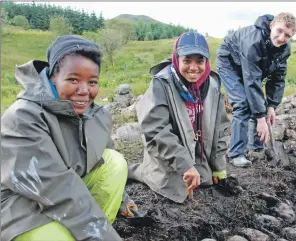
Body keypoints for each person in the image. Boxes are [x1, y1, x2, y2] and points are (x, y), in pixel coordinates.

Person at [1, 35, 143, 241]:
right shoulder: (23, 118)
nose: (84, 90)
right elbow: (57, 188)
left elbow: (99, 162)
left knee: (114, 162)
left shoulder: (96, 115)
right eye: (73, 79)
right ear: (52, 78)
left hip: (66, 194)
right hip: (21, 205)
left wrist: (124, 201)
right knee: (56, 237)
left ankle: (93, 230)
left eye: (92, 82)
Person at [127, 32, 232, 203]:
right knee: (172, 187)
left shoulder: (212, 85)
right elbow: (156, 131)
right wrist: (185, 165)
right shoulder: (161, 84)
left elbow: (220, 128)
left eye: (200, 61)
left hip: (197, 156)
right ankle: (133, 170)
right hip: (167, 159)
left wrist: (219, 167)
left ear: (207, 61)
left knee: (205, 180)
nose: (193, 67)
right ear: (177, 59)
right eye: (187, 60)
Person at [215, 12, 296, 167]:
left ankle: (255, 148)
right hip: (229, 64)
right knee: (242, 104)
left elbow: (278, 78)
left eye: (287, 35)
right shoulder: (253, 41)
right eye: (279, 31)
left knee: (260, 104)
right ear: (272, 25)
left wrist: (272, 105)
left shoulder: (284, 49)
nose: (281, 38)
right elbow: (251, 81)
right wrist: (260, 118)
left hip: (251, 69)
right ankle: (236, 154)